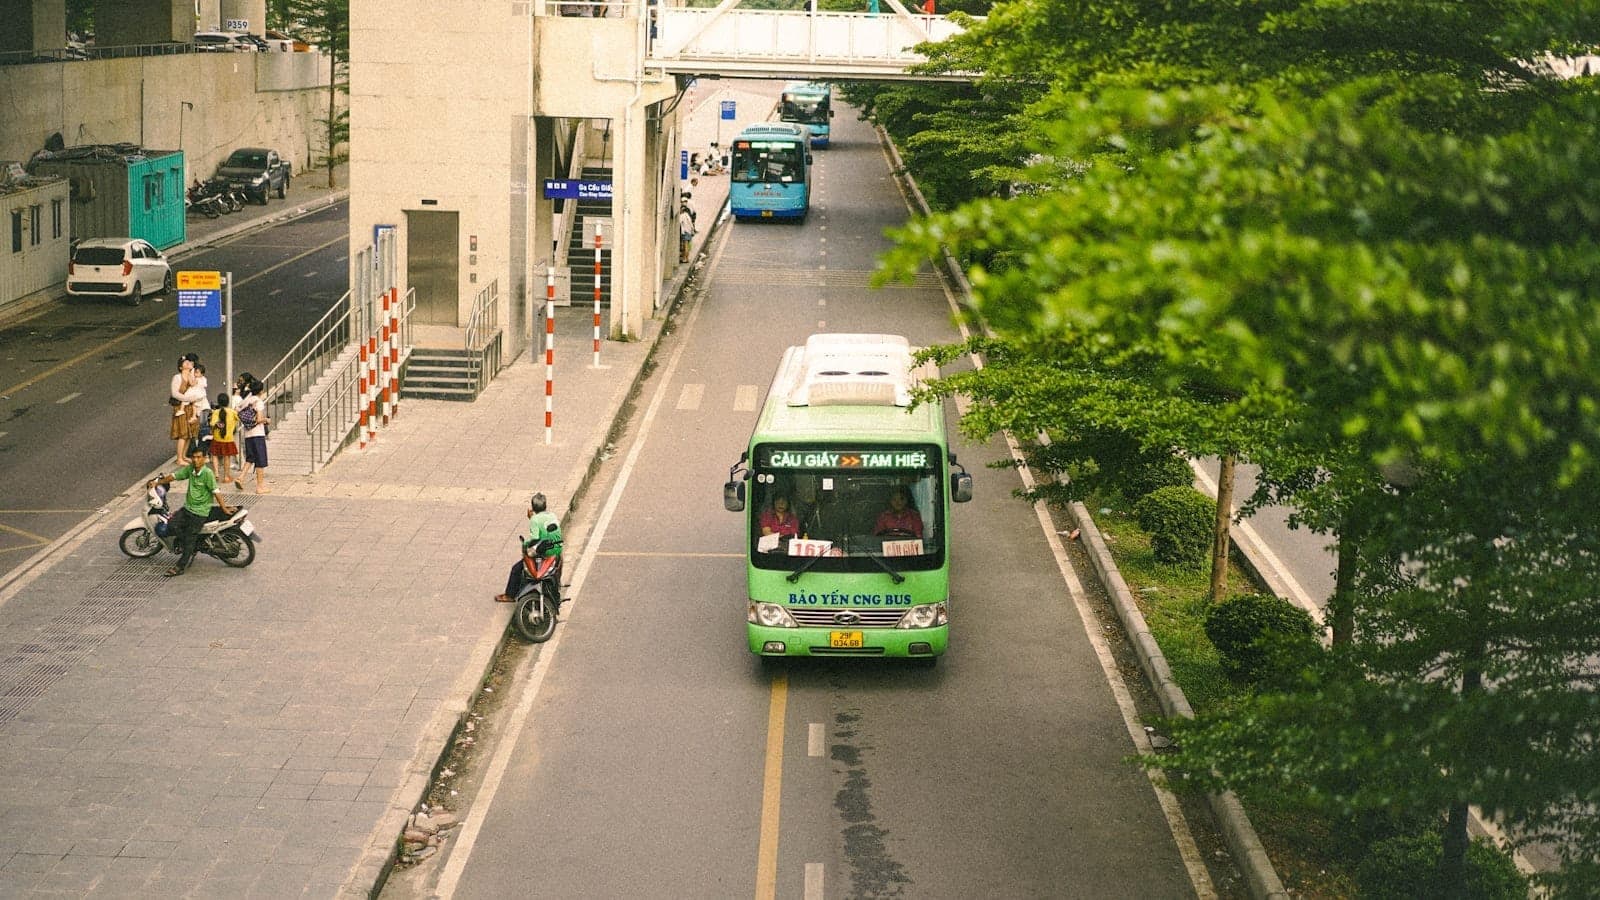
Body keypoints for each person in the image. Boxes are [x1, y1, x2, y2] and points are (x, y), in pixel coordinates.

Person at [149, 445, 236, 577]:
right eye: (193, 457)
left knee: (190, 539)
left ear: (204, 459)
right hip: (187, 508)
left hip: (200, 513)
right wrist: (158, 482)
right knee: (171, 525)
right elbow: (174, 476)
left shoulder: (207, 474)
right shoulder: (190, 469)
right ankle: (188, 545)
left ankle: (180, 566)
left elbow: (216, 491)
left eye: (198, 457)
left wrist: (224, 508)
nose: (196, 460)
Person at [495, 492, 563, 602]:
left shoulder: (535, 520)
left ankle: (510, 595)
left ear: (532, 507)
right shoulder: (552, 515)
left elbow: (535, 539)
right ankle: (558, 582)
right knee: (560, 560)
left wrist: (525, 544)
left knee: (516, 569)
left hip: (545, 551)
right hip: (556, 548)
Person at [236, 376, 271, 494]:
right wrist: (266, 420)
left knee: (250, 458)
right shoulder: (258, 402)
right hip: (257, 434)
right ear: (261, 391)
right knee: (260, 460)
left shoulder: (247, 400)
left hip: (248, 434)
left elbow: (237, 409)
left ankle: (240, 477)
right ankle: (260, 486)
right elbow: (260, 419)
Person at [169, 354, 201, 464]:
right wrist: (187, 398)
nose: (187, 363)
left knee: (189, 434)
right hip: (180, 407)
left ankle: (183, 455)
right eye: (185, 363)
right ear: (180, 367)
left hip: (190, 407)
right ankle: (179, 458)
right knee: (183, 433)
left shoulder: (191, 376)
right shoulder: (177, 377)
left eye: (188, 362)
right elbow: (174, 393)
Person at [208, 393, 242, 489]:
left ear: (218, 402)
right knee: (227, 457)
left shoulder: (215, 412)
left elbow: (212, 424)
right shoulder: (232, 412)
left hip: (217, 438)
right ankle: (226, 476)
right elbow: (239, 418)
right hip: (228, 439)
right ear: (228, 402)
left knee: (214, 455)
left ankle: (216, 474)